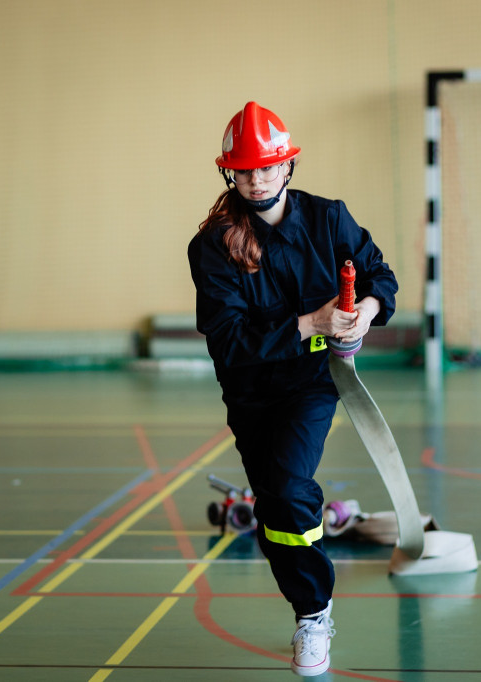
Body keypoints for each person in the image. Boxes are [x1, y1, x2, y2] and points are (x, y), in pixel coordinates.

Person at [187, 101, 398, 676]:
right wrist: (313, 322)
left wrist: (365, 311)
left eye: (267, 167)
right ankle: (311, 597)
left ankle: (312, 614)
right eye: (244, 171)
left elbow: (379, 276)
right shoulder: (212, 247)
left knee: (285, 488)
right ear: (230, 174)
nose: (257, 180)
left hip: (313, 382)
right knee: (276, 506)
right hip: (252, 390)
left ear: (288, 165)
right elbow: (229, 342)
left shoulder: (330, 219)